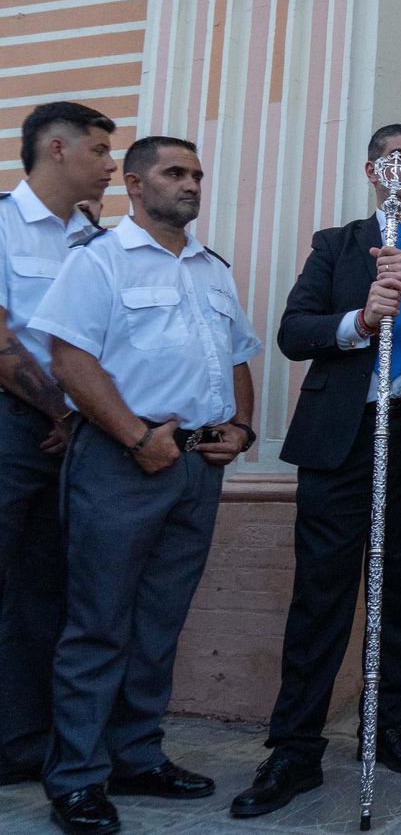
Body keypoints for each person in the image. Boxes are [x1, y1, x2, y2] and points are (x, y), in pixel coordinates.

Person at [232, 124, 401, 818]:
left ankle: (384, 725)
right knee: (321, 593)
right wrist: (359, 322)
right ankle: (295, 749)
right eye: (400, 159)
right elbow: (295, 332)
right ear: (375, 170)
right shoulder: (336, 245)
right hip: (341, 438)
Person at [31, 137, 260, 834]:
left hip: (195, 468)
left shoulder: (212, 269)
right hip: (122, 463)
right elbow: (70, 359)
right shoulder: (99, 260)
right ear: (134, 183)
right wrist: (136, 438)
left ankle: (135, 756)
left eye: (197, 174)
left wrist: (241, 428)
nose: (191, 184)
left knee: (159, 624)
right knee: (98, 624)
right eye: (174, 172)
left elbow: (237, 356)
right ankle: (76, 777)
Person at [0, 103, 115, 788]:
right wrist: (57, 407)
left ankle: (21, 741)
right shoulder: (3, 223)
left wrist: (78, 414)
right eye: (99, 150)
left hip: (73, 430)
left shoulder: (96, 239)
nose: (111, 166)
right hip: (15, 423)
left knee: (42, 590)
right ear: (57, 148)